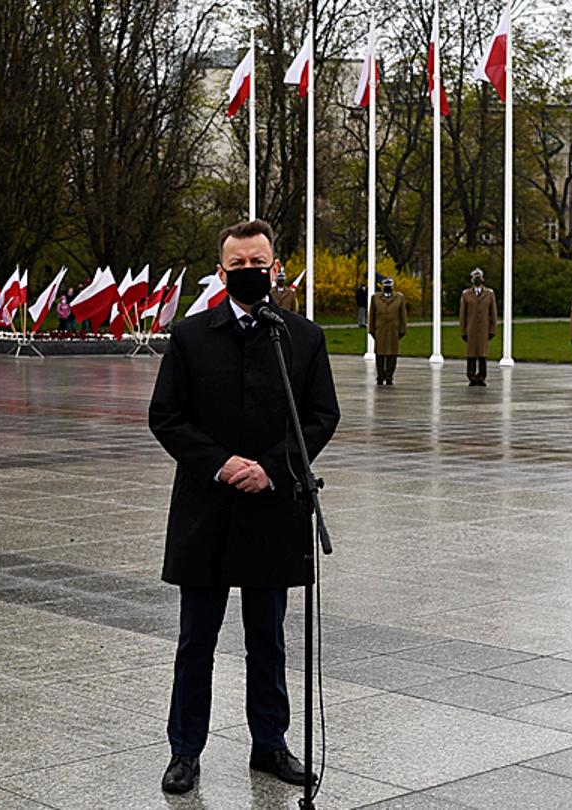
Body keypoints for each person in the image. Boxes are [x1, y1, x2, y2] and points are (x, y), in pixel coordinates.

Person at [149, 218, 339, 796]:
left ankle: (270, 744)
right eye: (239, 266)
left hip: (272, 509)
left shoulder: (300, 338)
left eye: (260, 263)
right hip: (206, 506)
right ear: (221, 271)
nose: (251, 273)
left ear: (275, 267)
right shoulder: (190, 336)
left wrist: (272, 468)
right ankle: (185, 751)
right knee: (196, 640)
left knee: (268, 637)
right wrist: (221, 462)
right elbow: (166, 417)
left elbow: (320, 415)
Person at [458, 268, 497, 386]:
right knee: (471, 353)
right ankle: (471, 376)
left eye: (479, 278)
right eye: (475, 278)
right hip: (471, 328)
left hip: (484, 328)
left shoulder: (489, 294)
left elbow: (493, 313)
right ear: (471, 280)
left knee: (482, 353)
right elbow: (463, 314)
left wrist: (492, 329)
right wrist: (463, 330)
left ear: (483, 279)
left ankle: (481, 376)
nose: (477, 280)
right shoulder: (466, 295)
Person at [367, 277, 407, 385]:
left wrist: (402, 330)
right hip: (380, 330)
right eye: (386, 286)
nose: (387, 288)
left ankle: (389, 376)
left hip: (393, 330)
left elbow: (402, 315)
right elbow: (371, 315)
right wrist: (371, 329)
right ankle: (380, 376)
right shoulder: (375, 298)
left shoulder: (399, 298)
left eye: (389, 285)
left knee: (392, 354)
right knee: (379, 354)